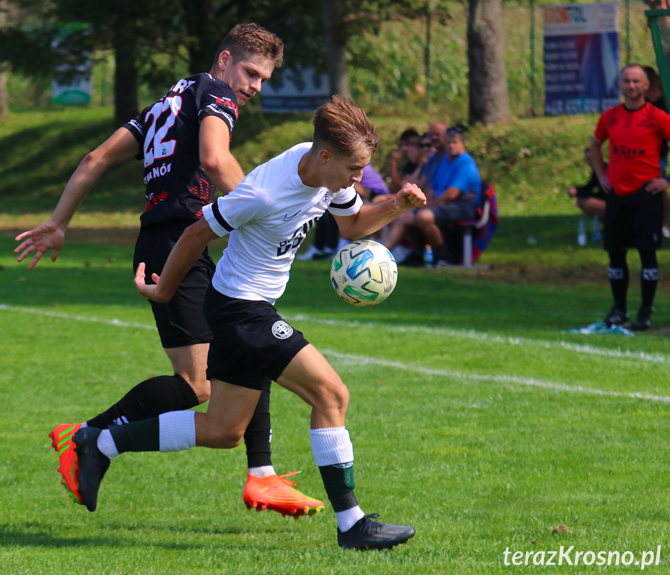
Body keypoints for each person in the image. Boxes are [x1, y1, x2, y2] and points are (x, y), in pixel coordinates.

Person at [72, 96, 425, 550]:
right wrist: (163, 291)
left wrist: (396, 204)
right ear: (324, 156)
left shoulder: (327, 175)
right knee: (332, 393)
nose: (359, 177)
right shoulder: (263, 193)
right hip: (242, 310)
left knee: (223, 430)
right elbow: (197, 232)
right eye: (355, 168)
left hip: (245, 307)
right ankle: (351, 524)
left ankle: (101, 443)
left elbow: (355, 226)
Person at [14, 24, 324, 517]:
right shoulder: (215, 93)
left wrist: (58, 222)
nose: (254, 86)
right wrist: (262, 212)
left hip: (173, 240)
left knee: (248, 334)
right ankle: (90, 433)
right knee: (200, 383)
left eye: (264, 79)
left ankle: (262, 475)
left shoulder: (166, 103)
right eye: (250, 72)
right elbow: (214, 158)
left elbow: (95, 158)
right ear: (224, 61)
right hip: (177, 241)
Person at [590, 63, 670, 331]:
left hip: (646, 194)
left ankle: (645, 312)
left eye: (637, 81)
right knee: (615, 254)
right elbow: (595, 146)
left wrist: (665, 180)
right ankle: (618, 310)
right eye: (627, 81)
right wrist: (602, 175)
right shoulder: (610, 117)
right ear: (620, 85)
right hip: (617, 195)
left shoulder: (657, 117)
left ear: (647, 86)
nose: (632, 86)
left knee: (647, 254)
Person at [384, 125, 481, 264]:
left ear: (462, 143)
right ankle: (411, 255)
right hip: (443, 205)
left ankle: (443, 257)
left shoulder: (466, 163)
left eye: (454, 142)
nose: (451, 146)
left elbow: (451, 194)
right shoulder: (445, 162)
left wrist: (428, 208)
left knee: (424, 216)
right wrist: (422, 205)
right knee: (404, 216)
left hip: (462, 206)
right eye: (448, 142)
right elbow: (432, 189)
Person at [644, 66, 670, 238]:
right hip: (642, 153)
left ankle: (663, 224)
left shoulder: (664, 100)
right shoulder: (641, 101)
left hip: (658, 154)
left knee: (658, 189)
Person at [566, 147, 607, 221]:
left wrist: (579, 192)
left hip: (614, 203)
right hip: (606, 200)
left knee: (590, 203)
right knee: (580, 201)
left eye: (591, 159)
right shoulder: (597, 172)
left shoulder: (606, 170)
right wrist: (576, 190)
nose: (589, 163)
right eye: (587, 160)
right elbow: (589, 187)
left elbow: (606, 194)